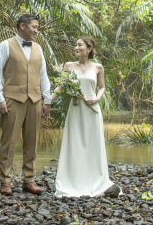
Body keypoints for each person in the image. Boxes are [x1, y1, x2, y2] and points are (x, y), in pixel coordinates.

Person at [0, 14, 52, 195]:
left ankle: (29, 180)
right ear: (22, 26)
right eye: (34, 26)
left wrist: (47, 100)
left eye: (37, 27)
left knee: (32, 141)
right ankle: (5, 181)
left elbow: (43, 75)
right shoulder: (5, 45)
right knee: (9, 141)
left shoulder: (38, 48)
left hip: (35, 100)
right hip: (12, 99)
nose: (36, 30)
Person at [52, 36, 118, 198]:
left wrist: (97, 98)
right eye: (75, 45)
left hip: (92, 110)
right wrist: (48, 101)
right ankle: (72, 180)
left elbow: (102, 87)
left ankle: (95, 180)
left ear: (89, 49)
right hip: (75, 109)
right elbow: (61, 86)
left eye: (80, 45)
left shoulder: (98, 67)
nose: (76, 47)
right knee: (74, 143)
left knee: (92, 145)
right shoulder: (68, 66)